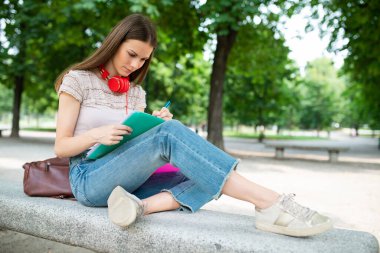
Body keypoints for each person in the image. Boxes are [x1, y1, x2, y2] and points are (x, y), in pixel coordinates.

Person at [54, 14, 332, 237]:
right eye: (131, 54)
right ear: (115, 43)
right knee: (178, 142)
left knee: (202, 172)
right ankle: (270, 202)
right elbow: (61, 146)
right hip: (88, 177)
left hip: (127, 183)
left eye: (143, 60)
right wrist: (96, 134)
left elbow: (133, 148)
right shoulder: (77, 80)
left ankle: (139, 207)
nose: (135, 65)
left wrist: (152, 126)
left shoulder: (136, 94)